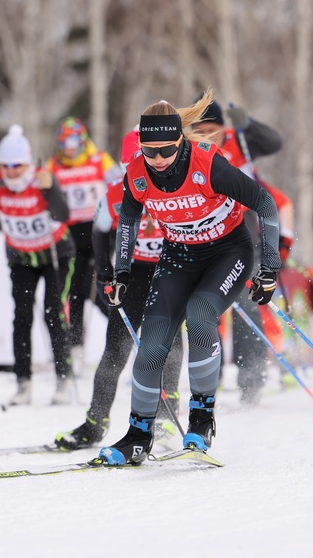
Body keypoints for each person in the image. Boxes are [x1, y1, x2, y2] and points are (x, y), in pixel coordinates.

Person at [97, 90, 282, 465]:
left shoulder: (207, 164)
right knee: (151, 344)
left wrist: (270, 266)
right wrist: (121, 271)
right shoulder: (137, 171)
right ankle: (137, 434)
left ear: (180, 140)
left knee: (200, 316)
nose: (159, 159)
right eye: (151, 152)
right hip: (179, 254)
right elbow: (128, 221)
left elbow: (264, 202)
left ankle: (201, 418)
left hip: (227, 251)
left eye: (166, 150)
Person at [54, 129, 184, 449]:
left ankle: (166, 420)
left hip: (171, 270)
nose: (138, 172)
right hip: (136, 272)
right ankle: (95, 423)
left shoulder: (176, 187)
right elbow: (99, 234)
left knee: (170, 348)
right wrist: (104, 273)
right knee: (115, 351)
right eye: (130, 165)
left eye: (142, 163)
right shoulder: (116, 192)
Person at [0, 125, 75, 405]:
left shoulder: (42, 178)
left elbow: (63, 213)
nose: (11, 171)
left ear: (27, 162)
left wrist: (49, 192)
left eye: (17, 165)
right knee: (21, 317)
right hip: (22, 257)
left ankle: (63, 379)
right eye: (6, 165)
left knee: (53, 314)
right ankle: (24, 383)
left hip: (55, 254)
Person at [191, 96, 284, 404]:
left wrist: (248, 124)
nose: (205, 134)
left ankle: (251, 381)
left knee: (246, 307)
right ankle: (209, 378)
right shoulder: (189, 151)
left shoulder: (239, 142)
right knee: (205, 310)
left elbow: (274, 143)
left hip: (244, 237)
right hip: (204, 239)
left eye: (211, 128)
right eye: (199, 129)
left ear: (222, 128)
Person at [50, 118, 121, 370]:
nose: (68, 148)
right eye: (63, 143)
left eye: (72, 142)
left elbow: (121, 184)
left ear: (81, 140)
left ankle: (122, 330)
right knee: (76, 293)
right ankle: (77, 347)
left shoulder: (99, 159)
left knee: (89, 285)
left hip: (99, 231)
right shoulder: (54, 166)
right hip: (71, 235)